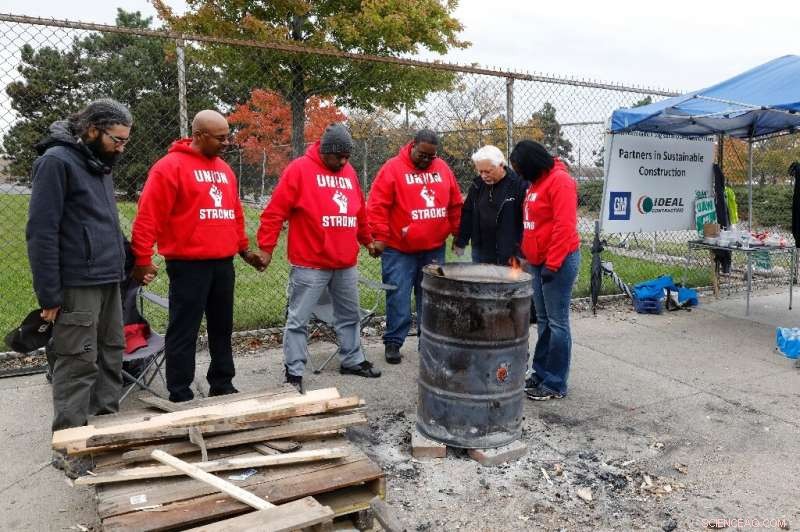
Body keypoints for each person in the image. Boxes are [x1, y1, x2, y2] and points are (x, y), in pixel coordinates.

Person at [26, 99, 132, 477]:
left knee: (111, 353)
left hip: (108, 278)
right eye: (116, 139)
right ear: (91, 130)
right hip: (76, 283)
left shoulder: (99, 163)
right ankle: (70, 446)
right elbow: (41, 233)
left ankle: (108, 434)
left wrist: (127, 258)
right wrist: (50, 295)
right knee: (77, 360)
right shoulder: (56, 162)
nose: (122, 147)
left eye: (125, 141)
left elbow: (103, 220)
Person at [131, 110, 265, 403]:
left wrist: (243, 249)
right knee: (184, 329)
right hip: (187, 264)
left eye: (227, 136)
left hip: (222, 263)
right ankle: (180, 390)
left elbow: (234, 214)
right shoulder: (169, 167)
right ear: (200, 135)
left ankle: (222, 382)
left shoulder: (224, 171)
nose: (226, 142)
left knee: (222, 326)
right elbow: (147, 218)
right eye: (220, 137)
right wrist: (141, 258)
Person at [256, 123, 381, 392]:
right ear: (325, 151)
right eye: (339, 156)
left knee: (349, 316)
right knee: (298, 319)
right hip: (309, 263)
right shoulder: (299, 170)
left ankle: (352, 359)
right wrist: (266, 249)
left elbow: (359, 212)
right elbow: (275, 212)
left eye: (348, 156)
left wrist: (367, 240)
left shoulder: (348, 172)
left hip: (345, 263)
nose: (344, 161)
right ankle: (294, 370)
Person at [366, 129, 463, 364]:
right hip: (399, 248)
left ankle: (428, 342)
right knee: (398, 295)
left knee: (431, 296)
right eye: (422, 154)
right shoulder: (392, 168)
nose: (427, 160)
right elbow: (377, 206)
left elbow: (454, 204)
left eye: (432, 156)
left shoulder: (442, 169)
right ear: (412, 146)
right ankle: (393, 342)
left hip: (433, 247)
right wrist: (379, 236)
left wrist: (458, 234)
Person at [509, 140, 580, 401]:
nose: (517, 173)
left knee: (558, 323)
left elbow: (564, 226)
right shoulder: (536, 184)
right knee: (544, 321)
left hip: (557, 263)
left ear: (531, 164)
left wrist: (552, 263)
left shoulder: (560, 181)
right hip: (539, 263)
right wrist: (525, 254)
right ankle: (540, 373)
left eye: (519, 168)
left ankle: (555, 383)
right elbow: (534, 224)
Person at [453, 145, 527, 265]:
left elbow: (527, 221)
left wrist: (522, 252)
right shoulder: (477, 185)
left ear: (501, 165)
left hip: (509, 253)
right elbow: (468, 213)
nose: (483, 176)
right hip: (481, 251)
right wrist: (461, 241)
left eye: (488, 171)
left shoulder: (518, 185)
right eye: (480, 171)